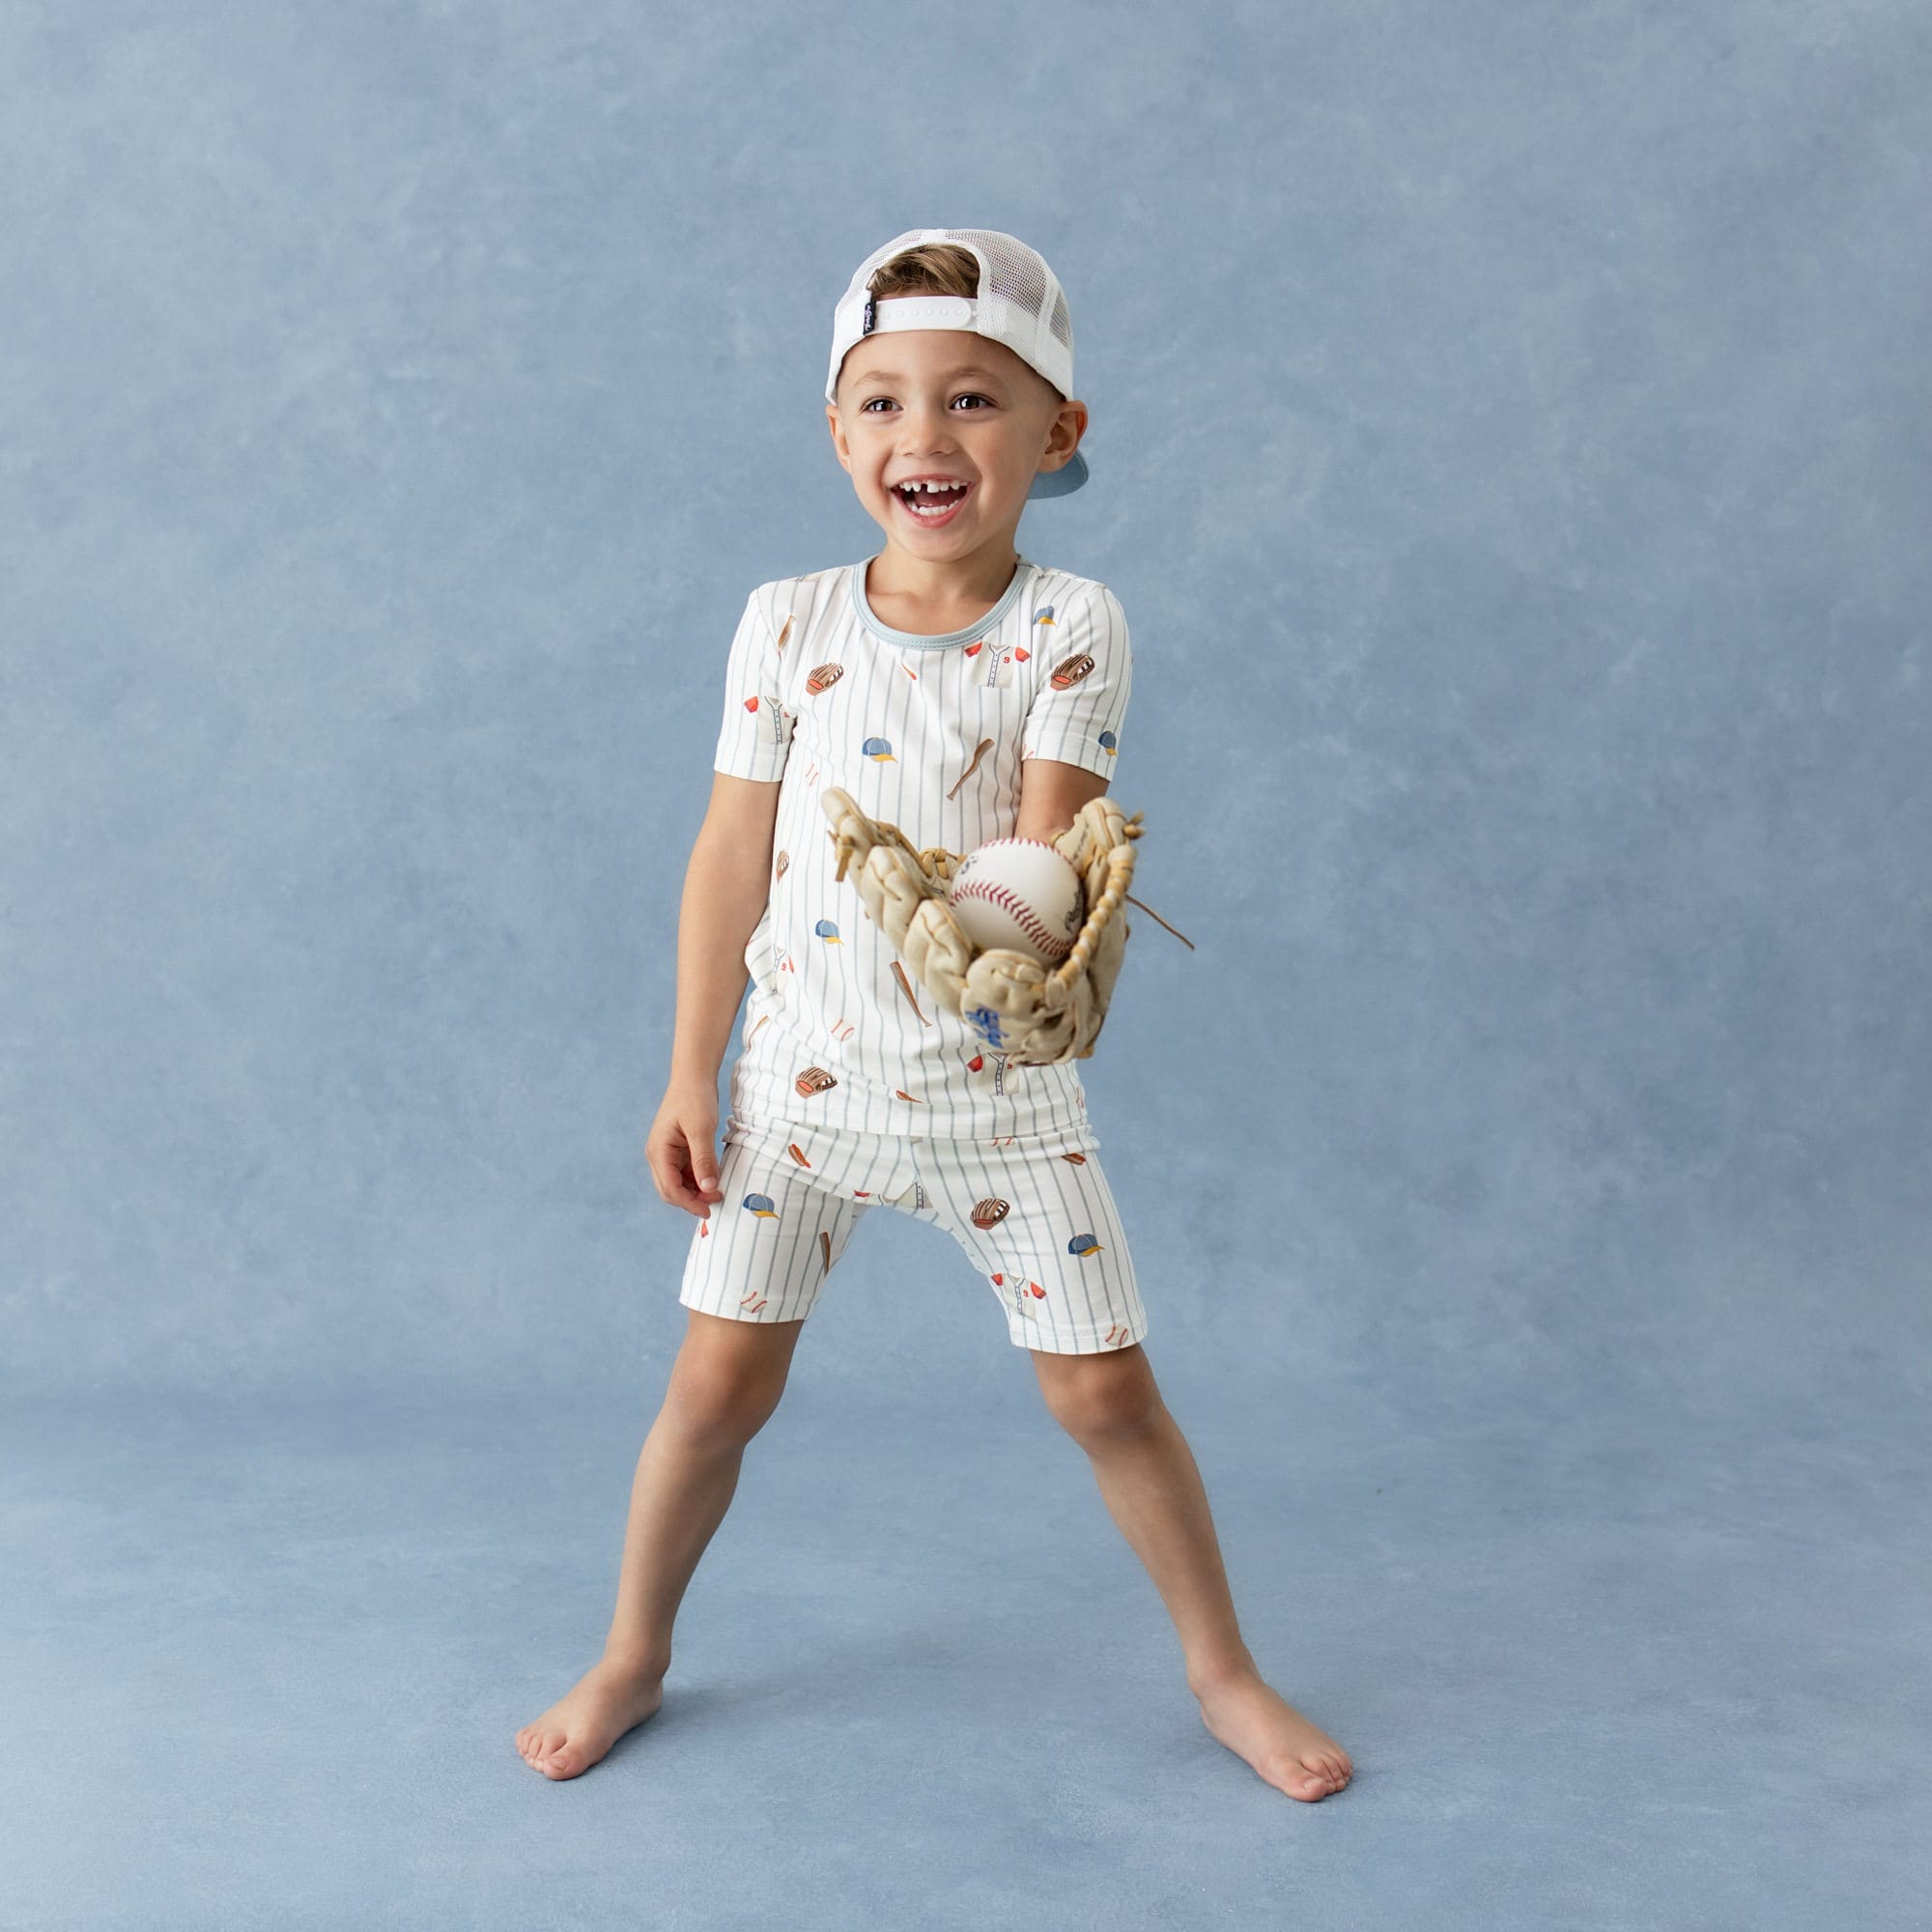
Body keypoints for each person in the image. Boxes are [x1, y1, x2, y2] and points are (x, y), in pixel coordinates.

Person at [516, 228, 1352, 1801]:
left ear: (1058, 430)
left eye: (974, 399)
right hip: (803, 1087)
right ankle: (632, 1653)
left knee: (1104, 1392)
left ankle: (1225, 1674)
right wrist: (691, 1069)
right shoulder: (787, 622)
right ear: (839, 432)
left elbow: (1041, 853)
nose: (927, 436)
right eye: (885, 402)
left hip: (993, 1098)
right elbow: (729, 853)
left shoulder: (1072, 623)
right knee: (715, 1388)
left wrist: (1031, 954)